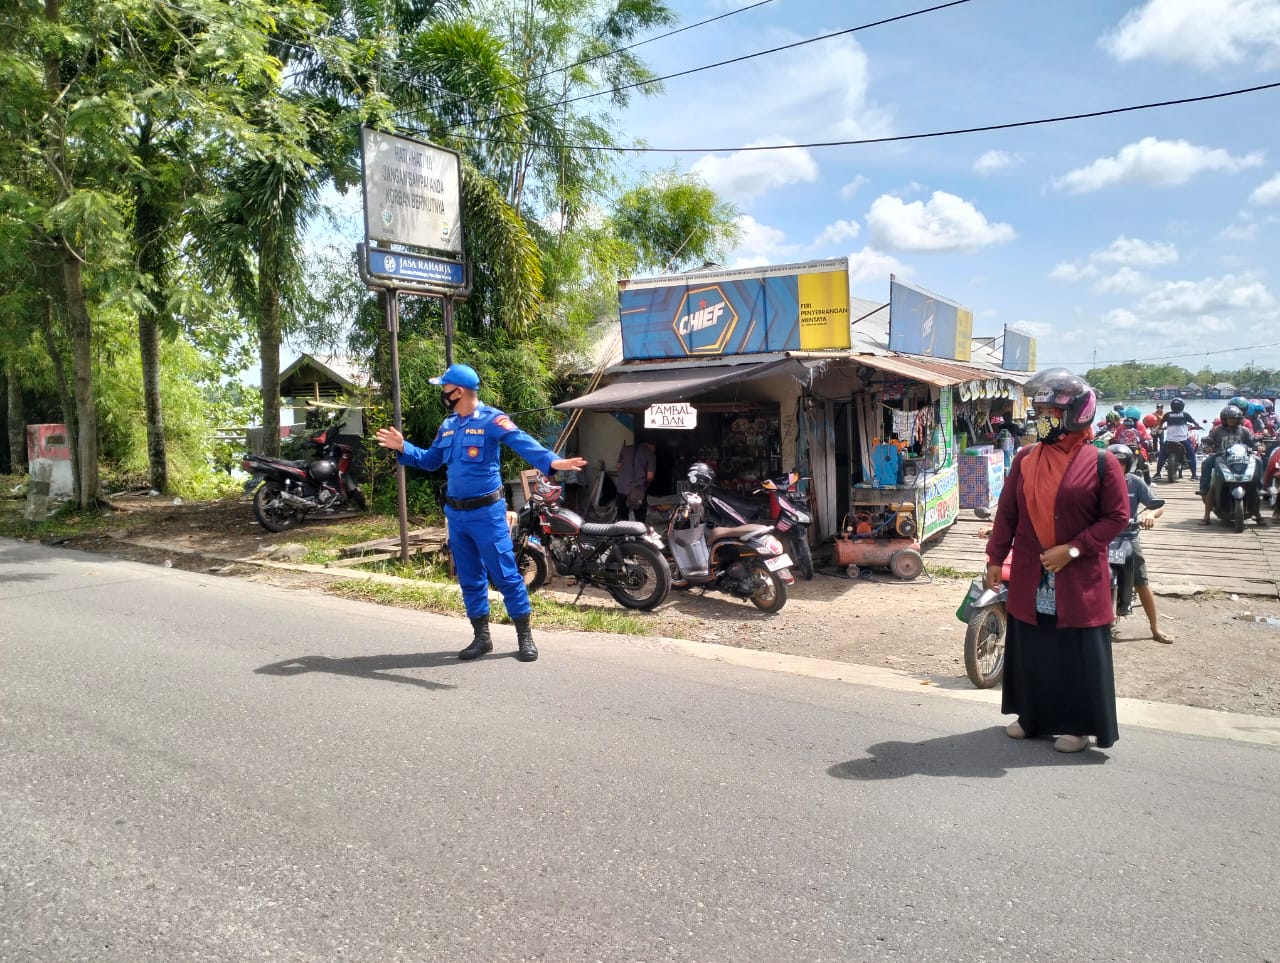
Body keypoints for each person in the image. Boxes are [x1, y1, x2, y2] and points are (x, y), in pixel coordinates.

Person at [375, 363, 587, 663]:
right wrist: (404, 447)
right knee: (470, 577)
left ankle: (524, 636)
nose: (442, 394)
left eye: (445, 389)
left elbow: (521, 441)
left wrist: (553, 463)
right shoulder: (448, 425)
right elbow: (431, 461)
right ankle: (481, 638)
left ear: (458, 391)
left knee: (505, 574)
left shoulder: (492, 419)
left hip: (487, 513)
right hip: (457, 515)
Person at [985, 367, 1129, 752]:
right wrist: (995, 558)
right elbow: (1008, 514)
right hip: (1033, 572)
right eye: (1041, 412)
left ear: (1075, 415)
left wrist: (1074, 549)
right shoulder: (1027, 458)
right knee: (1034, 647)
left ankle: (1078, 727)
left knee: (1074, 651)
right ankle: (1031, 717)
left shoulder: (1101, 462)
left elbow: (1116, 518)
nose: (1042, 419)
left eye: (1050, 413)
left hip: (1078, 575)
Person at [1107, 444, 1173, 644]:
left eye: (1122, 464)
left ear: (1129, 465)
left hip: (1129, 536)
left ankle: (1155, 627)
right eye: (1113, 463)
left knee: (1141, 582)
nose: (1118, 467)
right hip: (1104, 537)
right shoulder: (1096, 483)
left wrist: (1151, 515)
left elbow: (1157, 505)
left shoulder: (1135, 482)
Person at [1199, 404, 1263, 526]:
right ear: (1224, 419)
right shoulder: (1218, 430)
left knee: (1257, 463)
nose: (1232, 420)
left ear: (1239, 419)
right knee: (1208, 470)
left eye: (1234, 418)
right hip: (1221, 458)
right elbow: (1207, 440)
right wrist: (1207, 447)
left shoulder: (1244, 431)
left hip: (1242, 460)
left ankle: (1259, 500)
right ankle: (1206, 512)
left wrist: (1258, 446)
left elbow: (1252, 442)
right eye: (1229, 418)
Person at [1153, 398, 1202, 481]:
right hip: (1183, 440)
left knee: (1162, 456)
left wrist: (1161, 428)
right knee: (1191, 454)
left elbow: (1161, 424)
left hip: (1170, 440)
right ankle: (1194, 475)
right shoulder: (1185, 415)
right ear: (1182, 406)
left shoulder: (1167, 415)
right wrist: (1198, 426)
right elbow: (1194, 422)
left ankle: (1158, 473)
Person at [615, 440, 656, 522]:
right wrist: (646, 484)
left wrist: (625, 477)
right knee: (639, 521)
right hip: (638, 491)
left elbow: (618, 466)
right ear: (652, 445)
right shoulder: (650, 453)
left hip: (622, 489)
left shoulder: (625, 449)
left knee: (622, 520)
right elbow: (650, 476)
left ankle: (622, 534)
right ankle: (637, 534)